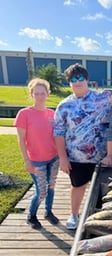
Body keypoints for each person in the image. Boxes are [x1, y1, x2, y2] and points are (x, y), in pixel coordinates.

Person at [53, 63, 112, 230]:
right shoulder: (63, 106)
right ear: (69, 82)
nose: (78, 82)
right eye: (73, 79)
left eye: (80, 78)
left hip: (103, 156)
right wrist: (63, 159)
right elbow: (58, 134)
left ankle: (103, 217)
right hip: (77, 158)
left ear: (87, 79)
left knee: (105, 188)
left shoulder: (103, 98)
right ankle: (74, 215)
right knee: (77, 186)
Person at [14, 78, 59, 230]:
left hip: (53, 158)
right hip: (36, 160)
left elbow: (57, 136)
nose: (40, 96)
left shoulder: (52, 114)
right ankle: (31, 216)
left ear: (48, 94)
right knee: (41, 191)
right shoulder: (24, 114)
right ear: (31, 94)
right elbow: (21, 140)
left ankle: (48, 212)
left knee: (51, 186)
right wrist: (26, 160)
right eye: (37, 93)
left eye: (43, 93)